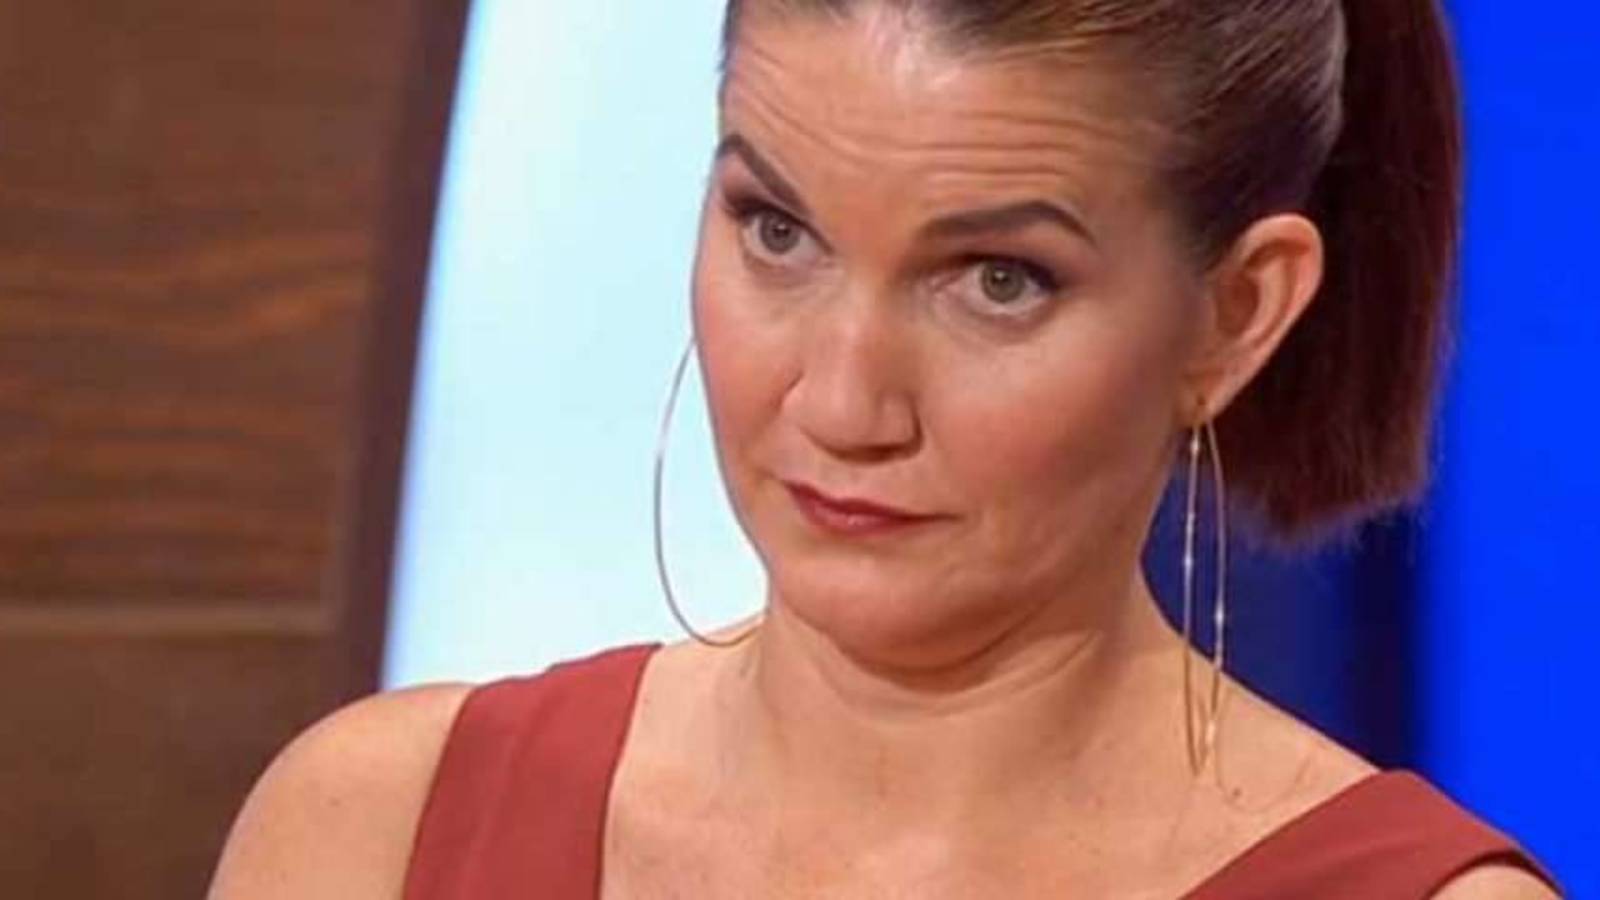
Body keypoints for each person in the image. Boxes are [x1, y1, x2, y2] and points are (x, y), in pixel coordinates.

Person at [210, 0, 1563, 897]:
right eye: (777, 231)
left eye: (997, 281)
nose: (845, 404)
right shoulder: (370, 834)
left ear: (1236, 314)